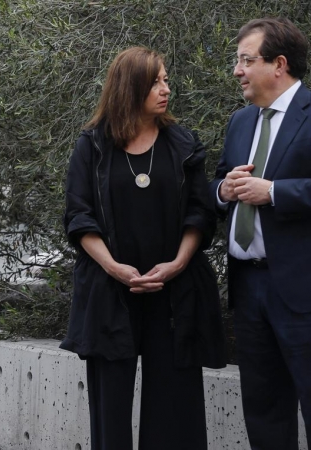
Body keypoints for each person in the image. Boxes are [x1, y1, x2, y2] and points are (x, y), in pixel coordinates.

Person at [62, 47, 225, 450]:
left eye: (166, 80)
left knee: (175, 411)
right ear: (129, 87)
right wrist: (115, 267)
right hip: (110, 294)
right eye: (155, 82)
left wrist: (177, 263)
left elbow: (201, 214)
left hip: (173, 297)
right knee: (111, 411)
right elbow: (78, 217)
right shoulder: (93, 146)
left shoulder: (183, 143)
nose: (165, 89)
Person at [212, 18, 311, 450]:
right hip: (248, 288)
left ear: (279, 64)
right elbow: (215, 185)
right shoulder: (240, 122)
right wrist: (223, 189)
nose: (237, 70)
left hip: (302, 291)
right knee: (263, 409)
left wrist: (274, 192)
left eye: (246, 60)